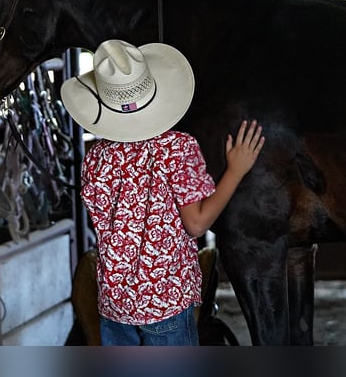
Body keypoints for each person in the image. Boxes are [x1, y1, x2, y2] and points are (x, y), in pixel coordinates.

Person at [61, 39, 264, 346]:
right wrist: (235, 171)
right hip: (165, 303)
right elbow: (196, 224)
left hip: (115, 304)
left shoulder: (96, 158)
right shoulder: (177, 149)